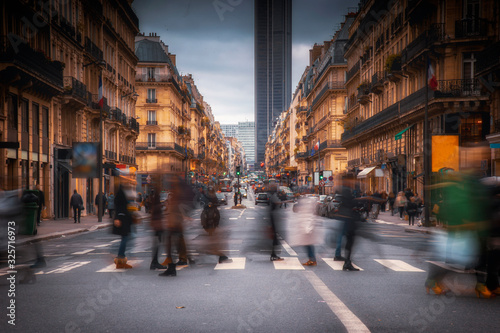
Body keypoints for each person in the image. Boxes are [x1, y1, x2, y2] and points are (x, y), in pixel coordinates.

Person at [112, 184, 133, 269]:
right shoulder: (121, 194)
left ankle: (121, 258)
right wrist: (118, 218)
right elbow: (120, 207)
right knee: (125, 237)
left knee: (125, 238)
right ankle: (120, 258)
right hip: (122, 219)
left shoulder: (121, 194)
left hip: (122, 218)